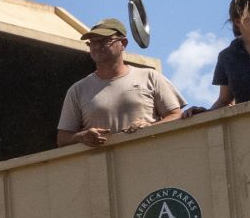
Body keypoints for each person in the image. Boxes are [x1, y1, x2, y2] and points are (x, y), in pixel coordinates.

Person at [56, 18, 186, 150]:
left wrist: (150, 128)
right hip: (103, 165)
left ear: (123, 43)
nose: (96, 46)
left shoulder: (150, 76)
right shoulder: (78, 90)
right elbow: (63, 138)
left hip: (150, 159)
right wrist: (83, 137)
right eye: (92, 42)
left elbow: (176, 115)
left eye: (104, 40)